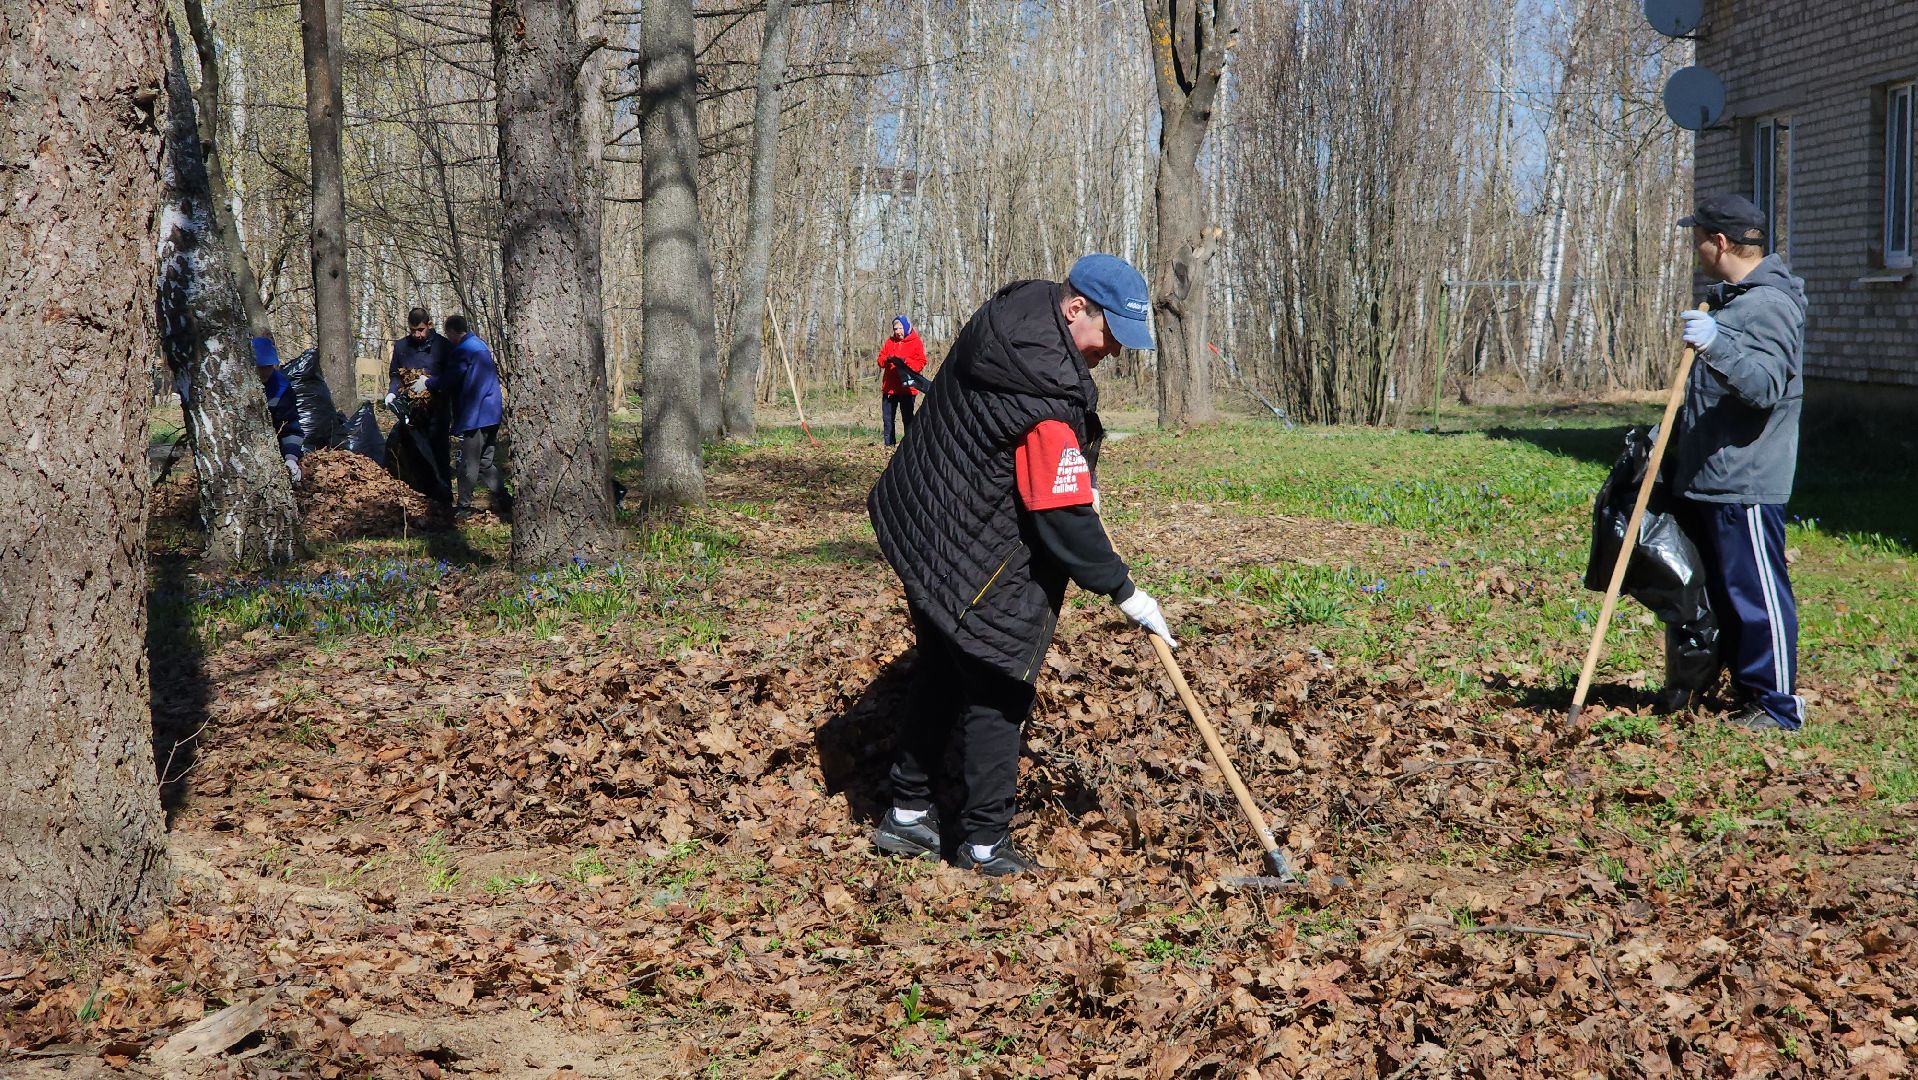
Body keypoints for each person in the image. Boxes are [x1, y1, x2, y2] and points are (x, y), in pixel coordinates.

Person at [866, 253, 1176, 876]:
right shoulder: (1047, 393)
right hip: (973, 545)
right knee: (998, 684)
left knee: (941, 665)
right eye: (1111, 332)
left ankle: (906, 813)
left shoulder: (1017, 315)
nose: (1114, 351)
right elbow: (1060, 519)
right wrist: (1126, 592)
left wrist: (1074, 473)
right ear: (1075, 309)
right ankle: (983, 843)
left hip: (924, 520)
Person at [1670, 193, 1808, 732]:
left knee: (1757, 596)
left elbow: (1764, 385)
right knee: (1725, 595)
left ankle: (1778, 705)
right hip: (1713, 476)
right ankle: (1742, 690)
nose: (1695, 246)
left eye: (1698, 236)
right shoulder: (1733, 302)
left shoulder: (1768, 304)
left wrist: (1715, 346)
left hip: (1746, 480)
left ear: (1720, 242)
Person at [441, 314, 509, 519]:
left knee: (468, 463)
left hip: (477, 414)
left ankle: (463, 507)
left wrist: (428, 383)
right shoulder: (479, 344)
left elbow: (450, 378)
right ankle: (506, 499)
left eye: (448, 334)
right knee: (485, 462)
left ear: (452, 332)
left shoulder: (463, 350)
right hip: (492, 412)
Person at [386, 307, 453, 494]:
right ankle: (422, 493)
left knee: (439, 451)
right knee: (415, 451)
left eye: (421, 330)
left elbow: (452, 375)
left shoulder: (443, 346)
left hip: (437, 409)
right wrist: (392, 392)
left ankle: (444, 494)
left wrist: (431, 383)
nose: (417, 334)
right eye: (413, 330)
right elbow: (395, 374)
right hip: (412, 410)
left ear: (429, 325)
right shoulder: (401, 347)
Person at [251, 335, 305, 483]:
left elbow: (290, 427)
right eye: (260, 367)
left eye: (268, 367)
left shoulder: (281, 388)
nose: (265, 372)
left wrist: (291, 458)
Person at [875, 315, 927, 448]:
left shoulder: (916, 342)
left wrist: (905, 361)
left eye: (900, 328)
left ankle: (909, 447)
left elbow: (921, 363)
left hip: (907, 388)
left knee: (908, 419)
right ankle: (889, 446)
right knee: (888, 420)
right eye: (895, 328)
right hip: (890, 388)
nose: (898, 331)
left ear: (906, 327)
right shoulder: (889, 342)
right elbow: (880, 360)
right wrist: (887, 360)